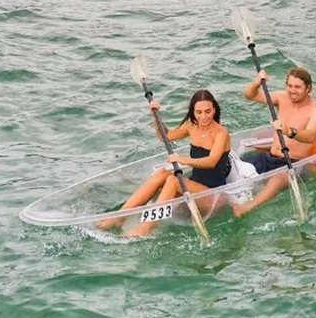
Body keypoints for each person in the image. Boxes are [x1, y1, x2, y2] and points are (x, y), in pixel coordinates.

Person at [95, 90, 232, 237]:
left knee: (172, 180)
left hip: (214, 195)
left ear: (214, 110)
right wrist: (156, 116)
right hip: (193, 187)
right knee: (162, 174)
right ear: (192, 112)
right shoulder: (191, 126)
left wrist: (182, 159)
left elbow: (211, 162)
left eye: (208, 111)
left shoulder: (221, 133)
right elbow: (166, 136)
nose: (203, 116)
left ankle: (147, 227)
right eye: (198, 112)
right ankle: (119, 216)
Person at [234, 66, 316, 216]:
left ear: (308, 88)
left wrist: (289, 131)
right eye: (289, 86)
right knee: (239, 163)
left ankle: (249, 207)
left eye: (297, 87)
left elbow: (310, 136)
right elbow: (249, 95)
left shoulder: (315, 110)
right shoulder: (282, 97)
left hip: (294, 164)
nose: (292, 91)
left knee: (279, 177)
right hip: (270, 157)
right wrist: (256, 82)